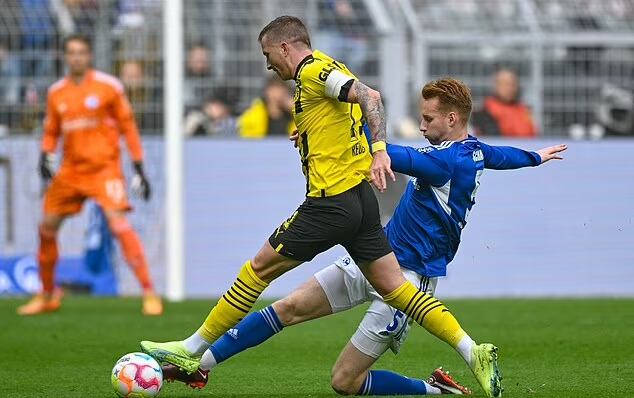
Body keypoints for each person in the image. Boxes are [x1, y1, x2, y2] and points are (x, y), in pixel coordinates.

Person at [141, 16, 499, 397]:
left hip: (332, 205)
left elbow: (369, 97)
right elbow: (347, 111)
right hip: (360, 204)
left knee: (259, 269)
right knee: (307, 304)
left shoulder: (313, 71)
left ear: (284, 47)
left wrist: (378, 149)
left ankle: (191, 349)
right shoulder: (328, 70)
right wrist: (313, 130)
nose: (268, 65)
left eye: (268, 55)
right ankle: (470, 350)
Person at [159, 78, 566, 396]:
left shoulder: (442, 161)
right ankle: (200, 366)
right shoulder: (474, 151)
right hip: (374, 254)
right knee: (287, 308)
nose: (422, 125)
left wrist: (329, 140)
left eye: (428, 119)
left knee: (344, 382)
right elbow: (502, 156)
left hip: (410, 279)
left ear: (453, 120)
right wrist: (536, 157)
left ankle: (434, 388)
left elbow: (392, 155)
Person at [17, 34, 163, 316]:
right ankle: (47, 294)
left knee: (119, 225)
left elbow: (128, 127)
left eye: (81, 52)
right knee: (46, 228)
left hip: (104, 169)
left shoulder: (109, 87)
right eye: (71, 52)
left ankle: (149, 292)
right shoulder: (56, 92)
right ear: (65, 57)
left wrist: (138, 167)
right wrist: (45, 155)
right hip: (70, 171)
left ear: (89, 56)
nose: (76, 57)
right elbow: (51, 131)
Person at [471, 69, 537, 138]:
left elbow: (533, 132)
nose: (510, 88)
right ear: (496, 86)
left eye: (513, 84)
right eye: (505, 84)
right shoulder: (486, 110)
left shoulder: (523, 109)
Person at [237, 74, 295, 138]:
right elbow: (246, 137)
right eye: (272, 89)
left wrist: (296, 110)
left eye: (279, 89)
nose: (276, 93)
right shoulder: (254, 113)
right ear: (266, 91)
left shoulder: (293, 114)